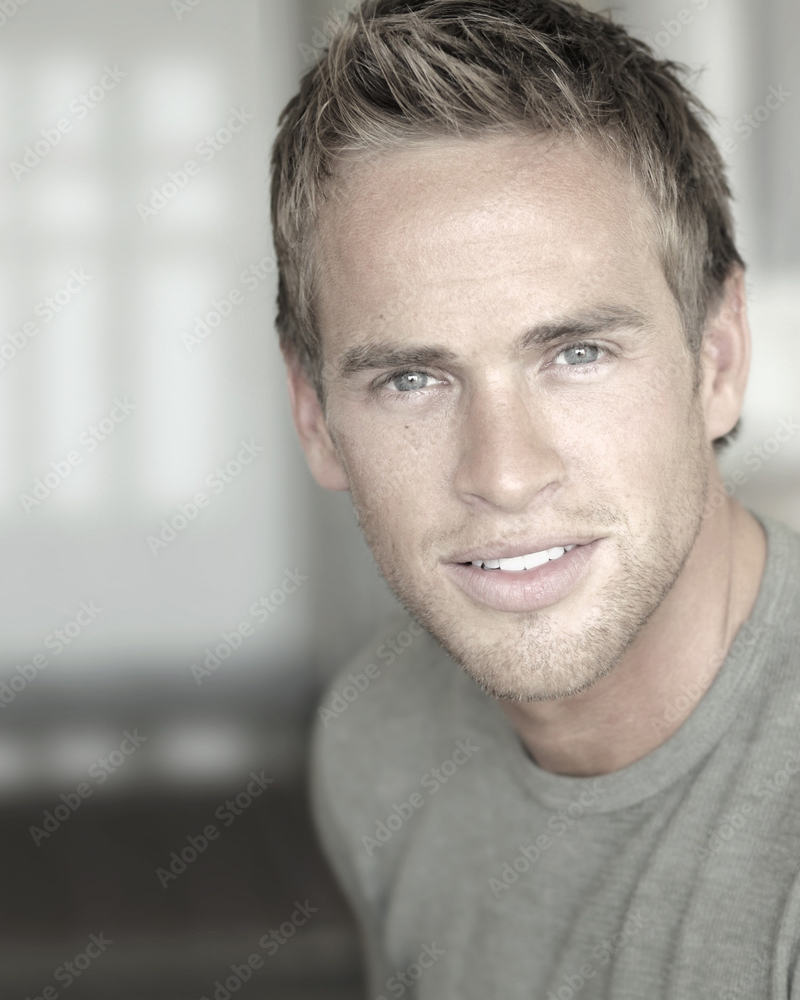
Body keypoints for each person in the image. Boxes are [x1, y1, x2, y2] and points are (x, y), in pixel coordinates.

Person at [269, 1, 800, 996]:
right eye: (411, 379)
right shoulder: (374, 737)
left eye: (577, 354)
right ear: (315, 417)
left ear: (718, 359)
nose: (504, 474)